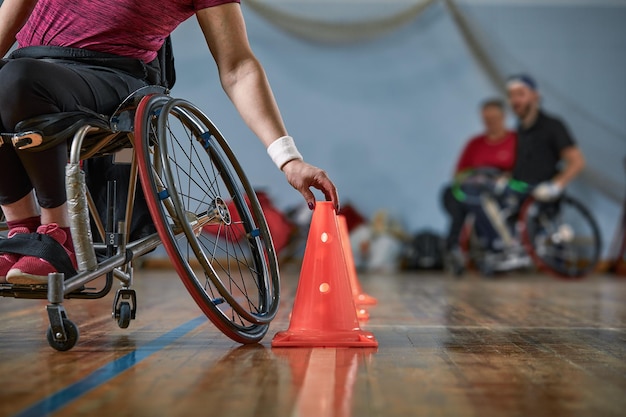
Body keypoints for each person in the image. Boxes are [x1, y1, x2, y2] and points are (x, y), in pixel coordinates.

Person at [0, 0, 339, 285]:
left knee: (18, 80)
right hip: (29, 68)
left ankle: (60, 235)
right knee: (11, 79)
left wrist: (288, 158)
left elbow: (238, 67)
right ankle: (22, 235)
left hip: (111, 76)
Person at [470, 74, 585, 254]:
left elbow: (577, 162)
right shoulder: (520, 130)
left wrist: (556, 185)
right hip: (518, 189)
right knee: (474, 189)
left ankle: (505, 245)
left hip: (541, 193)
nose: (515, 100)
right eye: (511, 95)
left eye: (520, 94)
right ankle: (499, 245)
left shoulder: (553, 126)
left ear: (535, 96)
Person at [441, 98, 517, 258]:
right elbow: (458, 173)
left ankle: (496, 243)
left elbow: (523, 170)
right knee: (451, 194)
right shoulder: (474, 143)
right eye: (486, 119)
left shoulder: (516, 140)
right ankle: (454, 247)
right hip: (474, 185)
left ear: (504, 117)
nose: (490, 123)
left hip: (502, 187)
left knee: (475, 195)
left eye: (494, 118)